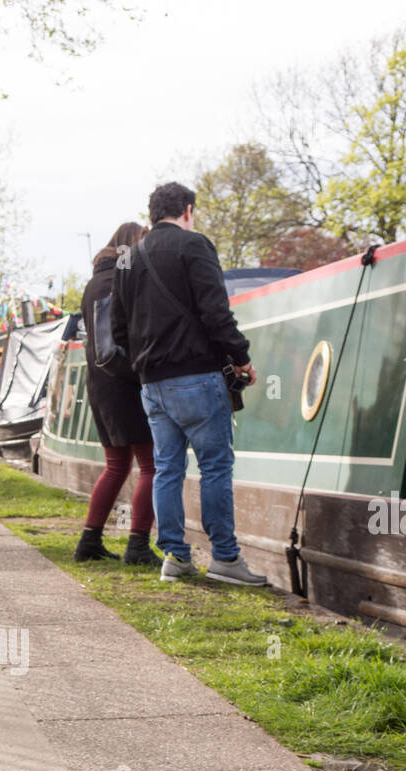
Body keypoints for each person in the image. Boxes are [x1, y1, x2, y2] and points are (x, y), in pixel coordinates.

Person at [111, 181, 266, 586]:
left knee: (167, 468)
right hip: (196, 376)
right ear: (188, 210)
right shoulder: (195, 245)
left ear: (152, 213)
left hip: (152, 385)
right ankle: (226, 559)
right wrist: (242, 357)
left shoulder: (127, 257)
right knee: (215, 467)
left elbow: (118, 328)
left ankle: (175, 558)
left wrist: (143, 366)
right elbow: (216, 313)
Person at [75, 225, 158, 565]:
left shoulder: (95, 281)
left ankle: (89, 541)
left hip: (100, 384)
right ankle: (137, 546)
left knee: (116, 466)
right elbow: (122, 341)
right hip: (123, 383)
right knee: (153, 466)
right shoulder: (117, 281)